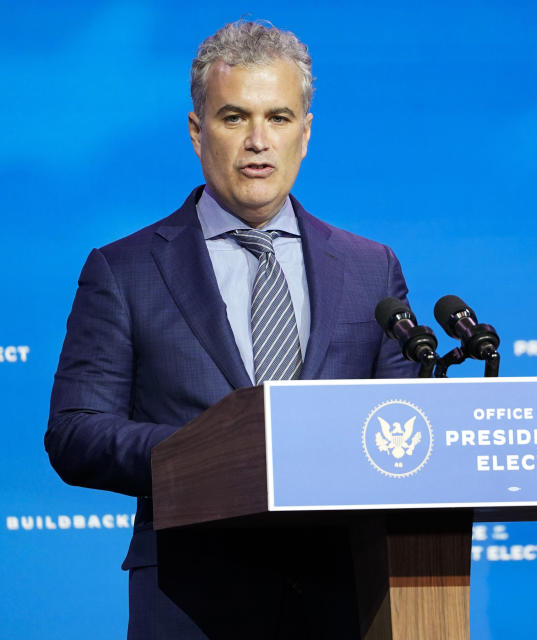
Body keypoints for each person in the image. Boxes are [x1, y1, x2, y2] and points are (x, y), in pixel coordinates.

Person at [45, 20, 417, 638]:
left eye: (277, 118)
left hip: (346, 594)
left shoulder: (369, 267)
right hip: (191, 598)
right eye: (234, 117)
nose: (257, 142)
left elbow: (404, 420)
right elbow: (76, 432)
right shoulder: (124, 269)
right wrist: (214, 455)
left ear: (305, 133)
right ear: (197, 131)